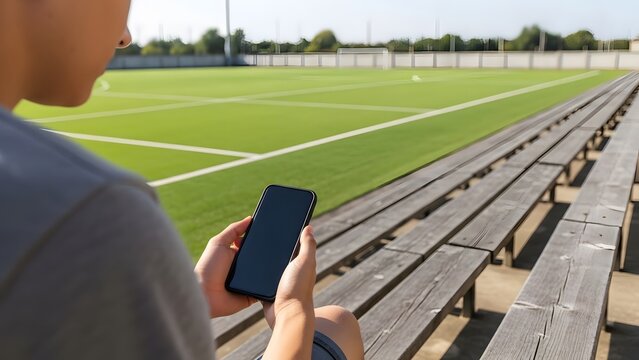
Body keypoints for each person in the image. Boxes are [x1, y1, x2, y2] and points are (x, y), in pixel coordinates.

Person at [0, 0, 365, 359]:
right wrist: (291, 314)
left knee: (338, 322)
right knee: (337, 323)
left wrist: (192, 295)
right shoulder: (91, 214)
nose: (124, 36)